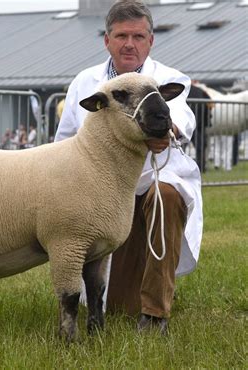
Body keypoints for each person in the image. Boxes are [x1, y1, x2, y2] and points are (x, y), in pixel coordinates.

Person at [55, 0, 203, 335]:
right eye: (121, 35)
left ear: (150, 41)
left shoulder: (169, 78)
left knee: (166, 194)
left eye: (138, 36)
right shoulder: (85, 82)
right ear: (107, 40)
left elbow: (181, 116)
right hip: (98, 196)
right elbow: (63, 139)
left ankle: (154, 315)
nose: (129, 44)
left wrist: (168, 130)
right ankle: (84, 300)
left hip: (150, 184)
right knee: (118, 303)